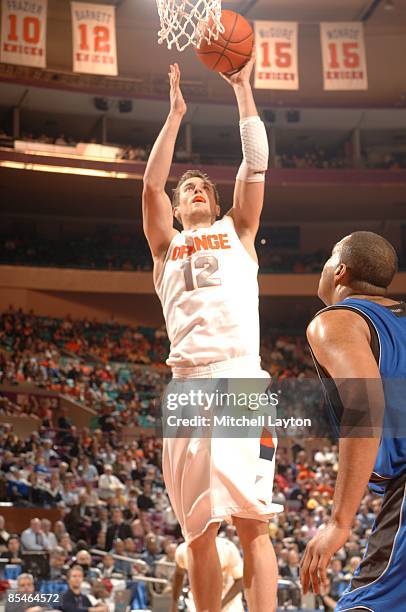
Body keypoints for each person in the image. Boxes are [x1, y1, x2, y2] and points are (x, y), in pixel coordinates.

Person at [142, 58, 282, 612]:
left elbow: (257, 162)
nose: (194, 189)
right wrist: (175, 114)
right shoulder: (164, 245)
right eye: (188, 189)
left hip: (241, 376)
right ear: (177, 208)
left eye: (202, 187)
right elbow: (151, 182)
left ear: (216, 203)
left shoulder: (238, 230)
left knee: (252, 523)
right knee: (198, 532)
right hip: (187, 383)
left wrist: (243, 90)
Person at [300, 232, 406, 611]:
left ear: (340, 271)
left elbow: (363, 401)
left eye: (329, 258)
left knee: (364, 606)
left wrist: (339, 522)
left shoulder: (338, 321)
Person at [171, 536, 244, 612]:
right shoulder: (182, 550)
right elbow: (179, 575)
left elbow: (240, 580)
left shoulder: (227, 548)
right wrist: (174, 604)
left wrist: (219, 606)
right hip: (196, 606)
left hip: (229, 607)